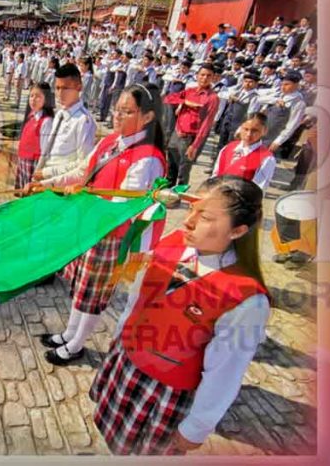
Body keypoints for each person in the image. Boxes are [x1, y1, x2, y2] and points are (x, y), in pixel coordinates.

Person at [91, 175, 270, 455]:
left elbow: (225, 372)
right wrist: (119, 339)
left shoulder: (246, 299)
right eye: (191, 209)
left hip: (165, 391)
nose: (188, 221)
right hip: (126, 363)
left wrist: (197, 426)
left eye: (206, 217)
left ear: (237, 231)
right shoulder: (172, 243)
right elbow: (137, 299)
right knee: (113, 433)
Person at [31, 84, 167, 364]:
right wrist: (46, 184)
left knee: (93, 293)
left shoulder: (148, 159)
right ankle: (69, 333)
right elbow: (83, 172)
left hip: (110, 236)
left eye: (127, 111)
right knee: (81, 287)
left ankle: (77, 344)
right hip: (89, 229)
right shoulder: (110, 142)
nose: (117, 116)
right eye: (117, 109)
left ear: (148, 117)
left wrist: (78, 201)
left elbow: (122, 208)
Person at [30, 63, 97, 184]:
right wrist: (38, 173)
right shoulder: (60, 114)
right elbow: (48, 150)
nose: (60, 93)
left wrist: (48, 173)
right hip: (44, 180)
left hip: (61, 185)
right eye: (57, 88)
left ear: (79, 87)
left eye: (65, 88)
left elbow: (83, 165)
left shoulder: (83, 121)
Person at [164, 65, 220, 187]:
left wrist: (194, 146)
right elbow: (168, 99)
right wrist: (184, 102)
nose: (204, 78)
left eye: (208, 76)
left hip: (190, 137)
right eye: (202, 75)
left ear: (213, 78)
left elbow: (206, 124)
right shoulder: (189, 91)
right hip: (177, 133)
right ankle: (166, 193)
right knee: (171, 165)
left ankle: (178, 195)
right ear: (197, 76)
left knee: (183, 170)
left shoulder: (212, 98)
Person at [212, 112, 276, 190]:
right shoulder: (228, 148)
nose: (249, 134)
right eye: (246, 129)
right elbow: (216, 174)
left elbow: (259, 188)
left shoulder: (266, 158)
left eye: (255, 131)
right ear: (240, 128)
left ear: (264, 131)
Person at [251, 70, 308, 156]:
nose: (283, 87)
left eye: (287, 85)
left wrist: (278, 141)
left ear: (296, 85)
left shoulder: (298, 103)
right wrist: (275, 100)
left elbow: (292, 125)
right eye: (282, 84)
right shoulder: (279, 94)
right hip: (261, 131)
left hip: (272, 136)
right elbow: (257, 98)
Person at [15, 82, 55, 189]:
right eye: (31, 95)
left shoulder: (46, 122)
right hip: (24, 161)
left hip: (34, 166)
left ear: (46, 99)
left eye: (38, 96)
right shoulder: (31, 116)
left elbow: (46, 152)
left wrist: (38, 175)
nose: (33, 99)